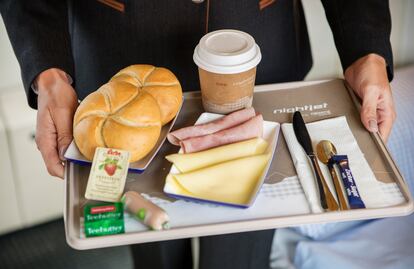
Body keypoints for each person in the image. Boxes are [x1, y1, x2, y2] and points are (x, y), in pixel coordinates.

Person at [0, 1, 395, 268]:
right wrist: (48, 72)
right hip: (118, 70)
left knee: (241, 250)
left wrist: (366, 50)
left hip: (259, 57)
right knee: (150, 238)